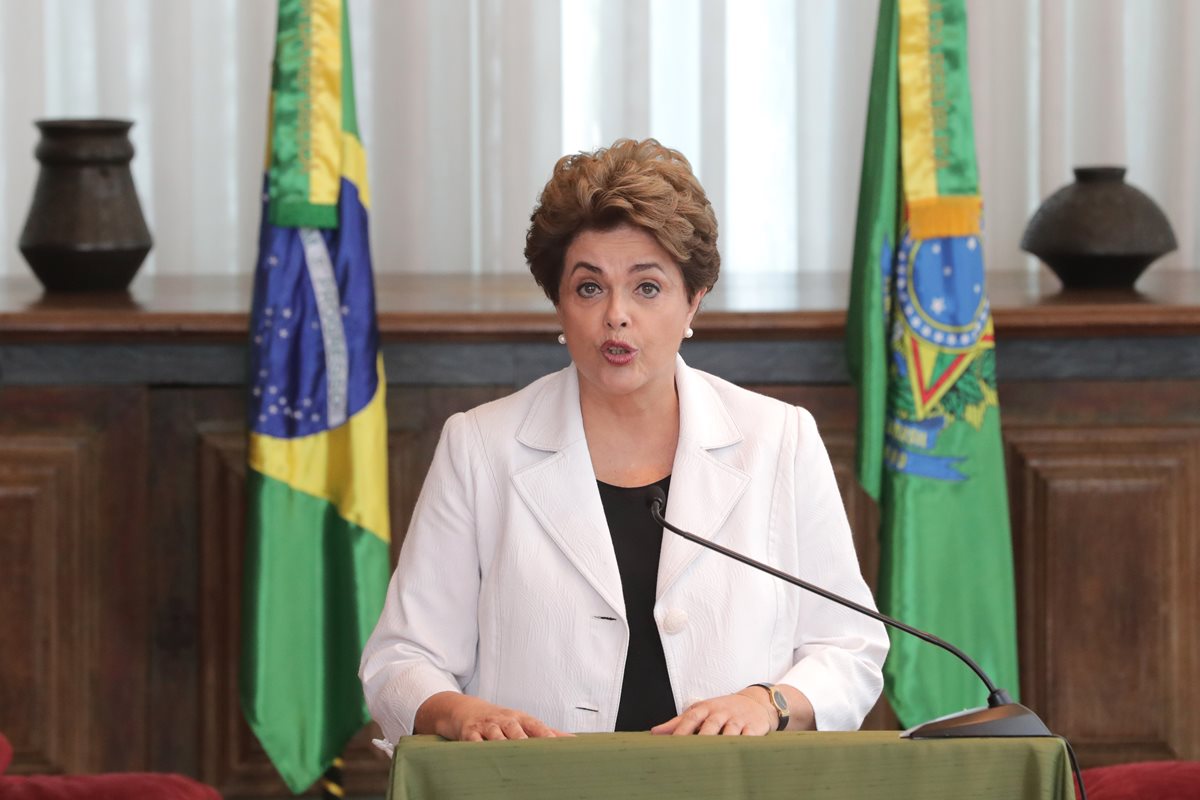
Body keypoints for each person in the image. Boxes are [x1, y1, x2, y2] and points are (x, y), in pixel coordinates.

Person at [360, 139, 888, 743]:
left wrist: (769, 702)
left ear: (694, 300)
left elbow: (850, 648)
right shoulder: (481, 447)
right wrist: (461, 714)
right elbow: (400, 660)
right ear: (559, 303)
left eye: (647, 287)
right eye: (589, 288)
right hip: (541, 788)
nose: (616, 315)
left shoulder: (778, 439)